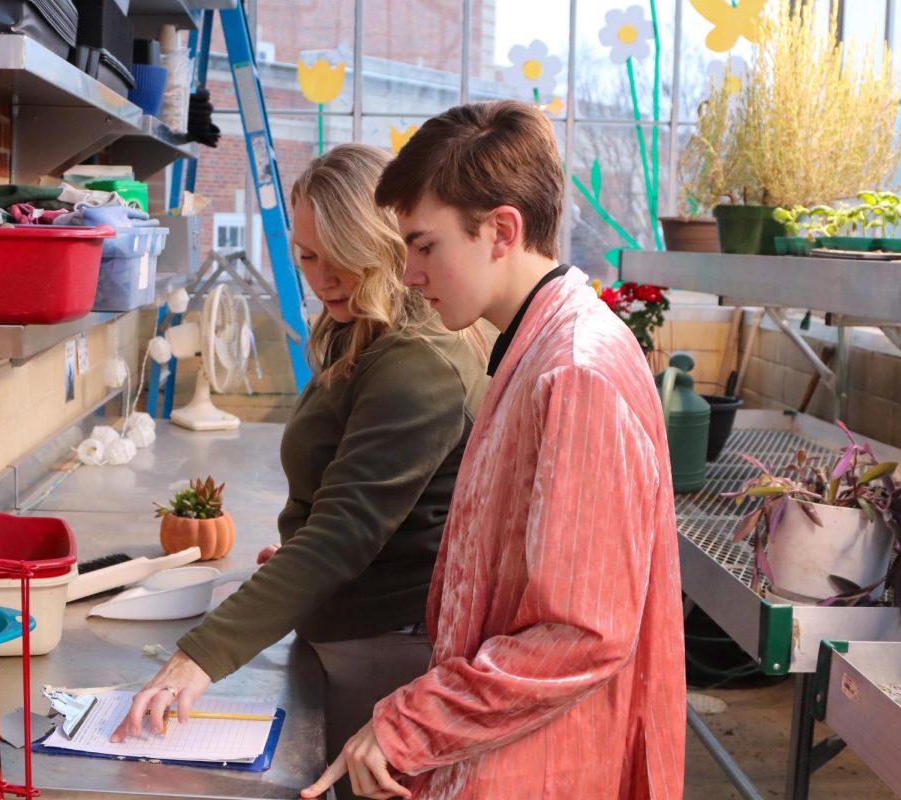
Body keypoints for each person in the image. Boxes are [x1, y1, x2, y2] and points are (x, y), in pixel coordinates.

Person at [302, 101, 686, 800]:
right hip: (511, 747)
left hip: (552, 764)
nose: (410, 274)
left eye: (425, 247)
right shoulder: (536, 345)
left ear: (502, 231)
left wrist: (409, 724)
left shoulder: (576, 370)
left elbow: (581, 629)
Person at [111, 144, 489, 798]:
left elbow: (344, 535)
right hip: (344, 623)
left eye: (342, 253)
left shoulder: (418, 364)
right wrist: (298, 550)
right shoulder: (361, 331)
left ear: (388, 242)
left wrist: (198, 657)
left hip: (380, 643)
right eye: (307, 256)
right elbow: (351, 502)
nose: (323, 277)